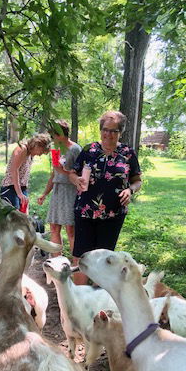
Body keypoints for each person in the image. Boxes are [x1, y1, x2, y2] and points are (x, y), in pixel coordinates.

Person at [68, 110, 142, 285]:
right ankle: (79, 296)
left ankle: (97, 300)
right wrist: (75, 180)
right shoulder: (89, 150)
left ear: (120, 132)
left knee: (104, 258)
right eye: (105, 130)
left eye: (114, 131)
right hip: (85, 211)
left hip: (113, 215)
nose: (108, 134)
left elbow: (137, 180)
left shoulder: (128, 153)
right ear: (100, 130)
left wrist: (130, 190)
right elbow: (72, 173)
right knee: (80, 255)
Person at [37, 120, 81, 254]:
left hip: (70, 191)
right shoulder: (56, 150)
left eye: (54, 135)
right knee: (54, 227)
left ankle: (75, 264)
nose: (52, 139)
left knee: (70, 229)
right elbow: (54, 172)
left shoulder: (75, 149)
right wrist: (45, 193)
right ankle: (56, 263)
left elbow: (80, 174)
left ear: (61, 134)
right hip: (57, 191)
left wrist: (65, 171)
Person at [0, 133, 51, 211]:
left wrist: (23, 192)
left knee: (24, 219)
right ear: (37, 145)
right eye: (42, 151)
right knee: (14, 219)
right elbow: (14, 170)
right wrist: (19, 193)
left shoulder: (30, 153)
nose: (40, 154)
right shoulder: (22, 149)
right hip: (11, 188)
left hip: (22, 188)